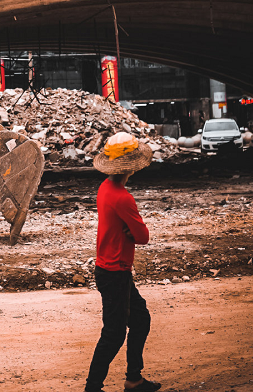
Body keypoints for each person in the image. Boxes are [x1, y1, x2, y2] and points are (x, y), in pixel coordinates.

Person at [84, 132, 160, 392]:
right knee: (114, 333)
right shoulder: (123, 197)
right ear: (132, 167)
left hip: (110, 271)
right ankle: (93, 387)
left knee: (140, 320)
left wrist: (129, 231)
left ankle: (134, 379)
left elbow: (134, 233)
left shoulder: (105, 188)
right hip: (115, 272)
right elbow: (144, 237)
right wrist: (132, 231)